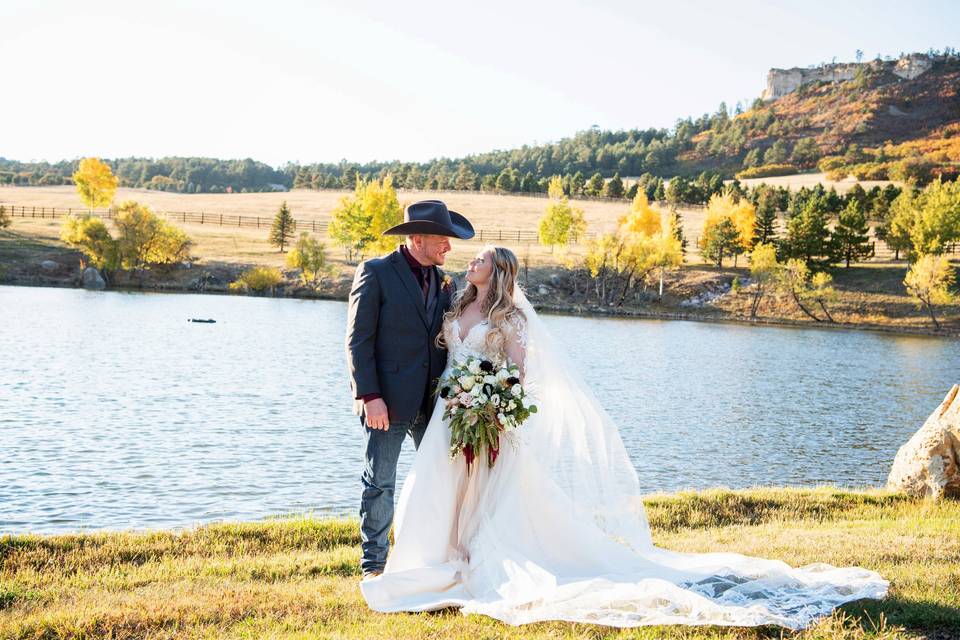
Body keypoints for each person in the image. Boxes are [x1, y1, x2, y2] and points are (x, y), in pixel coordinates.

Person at [360, 245, 888, 629]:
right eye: (468, 257)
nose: (467, 261)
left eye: (479, 259)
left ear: (498, 272)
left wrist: (494, 401)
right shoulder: (456, 302)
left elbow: (521, 373)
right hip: (452, 410)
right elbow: (441, 349)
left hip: (486, 412)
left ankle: (474, 557)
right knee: (441, 487)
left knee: (487, 490)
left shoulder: (512, 316)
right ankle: (438, 555)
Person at [345, 199, 473, 578]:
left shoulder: (445, 281)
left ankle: (429, 556)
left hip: (433, 404)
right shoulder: (376, 272)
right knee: (380, 482)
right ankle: (374, 563)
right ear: (417, 238)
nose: (448, 247)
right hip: (387, 402)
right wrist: (369, 396)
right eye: (442, 240)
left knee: (438, 481)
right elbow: (357, 341)